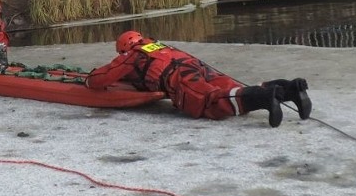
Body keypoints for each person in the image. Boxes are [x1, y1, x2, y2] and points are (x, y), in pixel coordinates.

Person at [86, 31, 312, 128]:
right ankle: (290, 89)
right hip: (197, 67)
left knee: (210, 101)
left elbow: (100, 80)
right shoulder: (159, 45)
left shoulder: (134, 55)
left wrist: (89, 80)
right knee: (231, 88)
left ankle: (265, 97)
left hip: (179, 78)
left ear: (125, 48)